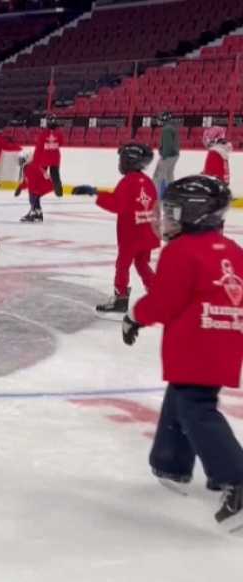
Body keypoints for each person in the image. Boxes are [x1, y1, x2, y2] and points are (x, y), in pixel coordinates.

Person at [121, 175, 242, 534]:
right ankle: (170, 462)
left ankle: (235, 477)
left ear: (196, 215)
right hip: (225, 342)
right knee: (184, 398)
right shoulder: (233, 250)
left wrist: (134, 317)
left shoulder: (180, 251)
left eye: (174, 212)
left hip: (195, 346)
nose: (167, 219)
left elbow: (163, 303)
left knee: (195, 408)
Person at [76, 143, 160, 313]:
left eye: (121, 160)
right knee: (142, 264)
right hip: (148, 231)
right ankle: (157, 294)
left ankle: (120, 298)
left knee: (122, 265)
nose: (119, 164)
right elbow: (155, 206)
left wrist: (95, 193)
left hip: (132, 234)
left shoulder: (128, 181)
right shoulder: (148, 181)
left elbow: (117, 204)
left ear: (129, 162)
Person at [15, 149, 53, 222]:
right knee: (35, 197)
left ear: (28, 158)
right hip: (46, 184)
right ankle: (38, 214)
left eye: (22, 159)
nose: (20, 162)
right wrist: (20, 187)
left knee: (32, 196)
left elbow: (31, 183)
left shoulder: (30, 167)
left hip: (44, 184)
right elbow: (28, 181)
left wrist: (22, 189)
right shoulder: (31, 165)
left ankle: (32, 213)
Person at [34, 115, 65, 197]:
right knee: (55, 176)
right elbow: (61, 143)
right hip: (53, 157)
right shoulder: (58, 132)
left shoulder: (44, 133)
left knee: (43, 175)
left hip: (46, 158)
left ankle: (38, 190)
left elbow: (39, 146)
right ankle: (59, 193)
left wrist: (36, 158)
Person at [153, 112, 180, 197]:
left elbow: (167, 144)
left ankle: (155, 196)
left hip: (168, 156)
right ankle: (172, 194)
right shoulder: (171, 128)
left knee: (158, 176)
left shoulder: (166, 129)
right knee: (169, 175)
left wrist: (164, 156)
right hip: (174, 155)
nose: (159, 121)